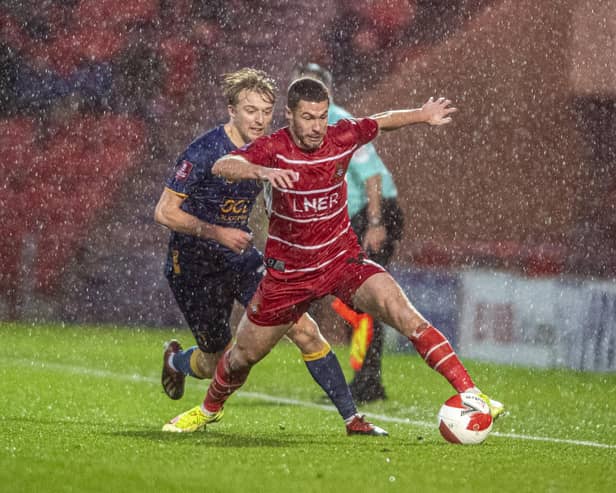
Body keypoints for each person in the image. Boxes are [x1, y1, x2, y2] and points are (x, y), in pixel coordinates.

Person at [163, 76, 505, 434]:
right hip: (289, 276)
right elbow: (223, 165)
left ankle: (472, 395)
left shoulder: (340, 137)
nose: (316, 127)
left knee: (405, 316)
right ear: (290, 115)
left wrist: (421, 114)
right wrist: (262, 170)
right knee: (241, 356)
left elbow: (381, 119)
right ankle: (208, 410)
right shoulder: (271, 146)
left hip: (341, 262)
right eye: (308, 118)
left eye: (322, 117)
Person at [155, 68, 386, 436]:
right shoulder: (204, 151)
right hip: (195, 266)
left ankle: (352, 418)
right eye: (250, 110)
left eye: (265, 111)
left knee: (305, 331)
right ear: (232, 110)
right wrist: (215, 232)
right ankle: (176, 361)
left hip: (241, 259)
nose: (259, 119)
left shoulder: (271, 148)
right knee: (214, 359)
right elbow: (164, 211)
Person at [291, 62, 404, 403]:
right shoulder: (311, 124)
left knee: (363, 299)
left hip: (374, 212)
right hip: (355, 217)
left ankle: (368, 379)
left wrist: (374, 223)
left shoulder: (337, 120)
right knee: (351, 299)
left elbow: (372, 177)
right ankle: (368, 377)